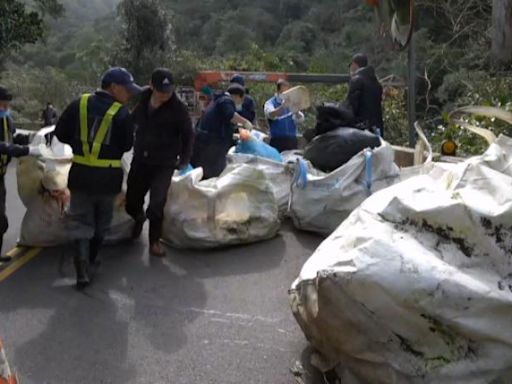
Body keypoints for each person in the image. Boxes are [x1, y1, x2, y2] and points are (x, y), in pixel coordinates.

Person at [55, 67, 140, 290]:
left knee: (81, 221)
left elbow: (61, 133)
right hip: (108, 178)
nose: (129, 94)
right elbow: (127, 146)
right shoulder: (121, 114)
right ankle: (91, 259)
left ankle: (81, 268)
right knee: (102, 223)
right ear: (113, 88)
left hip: (80, 174)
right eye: (127, 89)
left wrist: (79, 145)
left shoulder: (78, 105)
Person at [126, 68, 194, 257]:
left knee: (157, 202)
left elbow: (188, 134)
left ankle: (154, 240)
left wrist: (185, 158)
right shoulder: (143, 98)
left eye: (169, 91)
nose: (165, 95)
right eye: (162, 91)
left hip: (164, 162)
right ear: (152, 86)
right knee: (131, 200)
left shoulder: (178, 108)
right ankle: (138, 218)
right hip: (141, 159)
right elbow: (133, 118)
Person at [0, 86, 49, 260]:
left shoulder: (6, 120)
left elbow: (11, 137)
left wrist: (32, 138)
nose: (5, 108)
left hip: (1, 175)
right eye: (2, 105)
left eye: (6, 105)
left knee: (1, 219)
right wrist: (27, 150)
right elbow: (4, 146)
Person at [190, 83, 253, 179]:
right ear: (237, 96)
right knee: (212, 176)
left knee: (203, 174)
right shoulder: (226, 100)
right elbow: (230, 115)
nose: (241, 103)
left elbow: (223, 121)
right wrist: (245, 122)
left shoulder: (217, 100)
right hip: (211, 145)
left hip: (204, 143)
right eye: (242, 100)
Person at [345, 53, 384, 137]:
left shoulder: (357, 80)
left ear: (354, 65)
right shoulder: (376, 82)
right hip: (376, 127)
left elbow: (350, 107)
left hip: (362, 129)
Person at [264, 79, 304, 152]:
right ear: (278, 90)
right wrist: (283, 106)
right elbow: (271, 114)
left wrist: (296, 111)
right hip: (277, 140)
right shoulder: (270, 103)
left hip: (292, 140)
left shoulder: (291, 102)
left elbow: (300, 119)